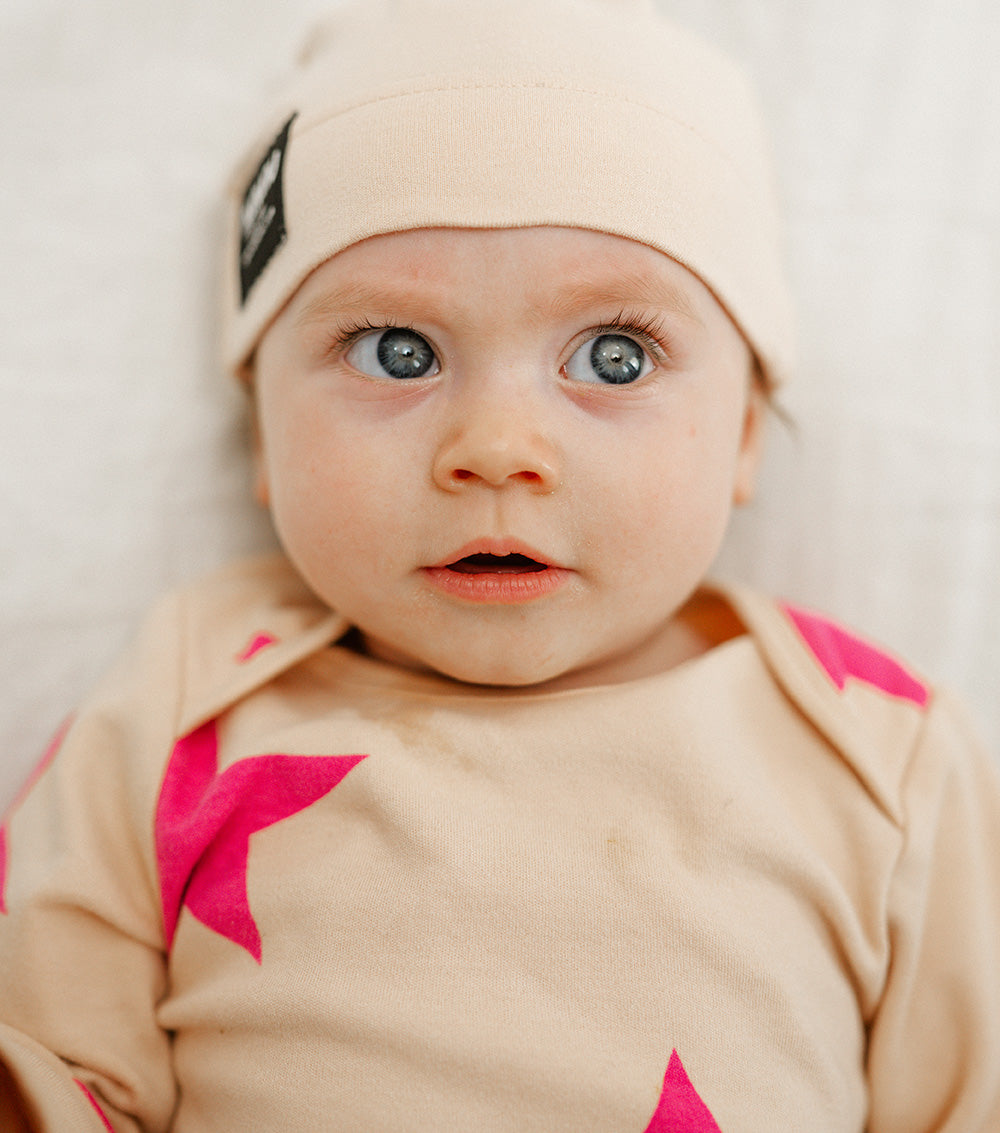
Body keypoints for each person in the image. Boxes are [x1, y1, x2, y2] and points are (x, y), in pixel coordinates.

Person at [1, 0, 998, 1129]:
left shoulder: (876, 751)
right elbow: (49, 1056)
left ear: (746, 434)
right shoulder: (190, 693)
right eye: (397, 352)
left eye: (614, 357)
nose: (496, 447)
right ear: (262, 434)